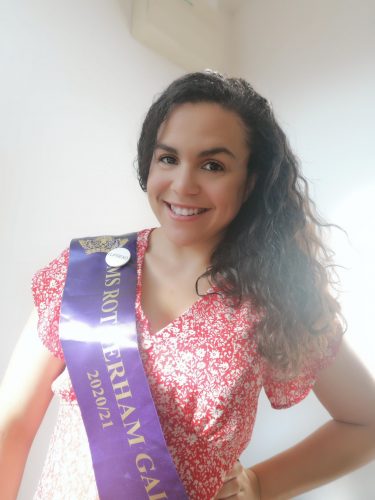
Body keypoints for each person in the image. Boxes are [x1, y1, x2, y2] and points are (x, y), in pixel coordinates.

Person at [1, 71, 375, 500]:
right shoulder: (84, 269)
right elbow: (11, 429)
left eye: (213, 165)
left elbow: (366, 423)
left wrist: (259, 484)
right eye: (168, 158)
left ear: (250, 180)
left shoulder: (276, 300)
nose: (183, 185)